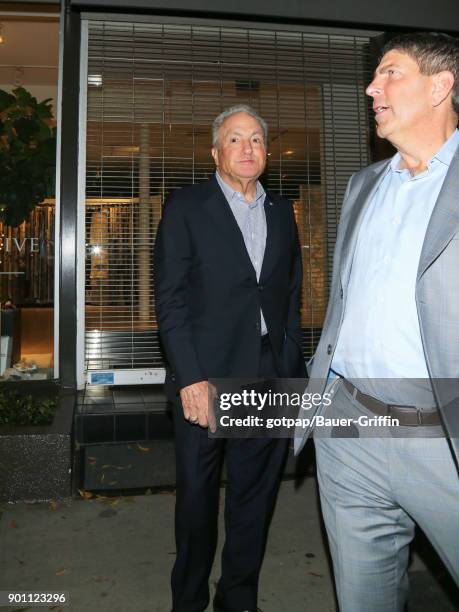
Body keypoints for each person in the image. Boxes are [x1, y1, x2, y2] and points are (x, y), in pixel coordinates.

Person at [294, 32, 459, 611]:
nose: (372, 87)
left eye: (390, 72)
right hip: (350, 430)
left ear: (441, 86)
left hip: (443, 436)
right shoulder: (363, 185)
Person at [155, 104, 306, 612]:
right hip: (208, 379)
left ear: (267, 152)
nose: (248, 148)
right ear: (216, 152)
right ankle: (189, 601)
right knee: (197, 501)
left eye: (257, 140)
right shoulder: (187, 207)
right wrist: (190, 378)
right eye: (236, 140)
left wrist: (292, 372)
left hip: (268, 374)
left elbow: (289, 296)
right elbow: (170, 301)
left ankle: (238, 599)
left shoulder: (282, 212)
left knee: (254, 498)